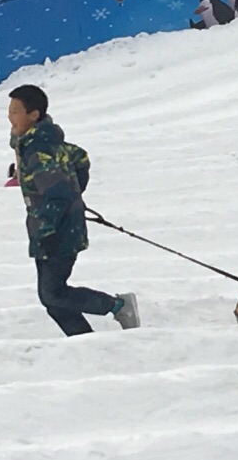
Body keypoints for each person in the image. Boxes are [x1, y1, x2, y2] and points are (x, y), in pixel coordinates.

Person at [8, 83, 139, 336]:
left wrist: (48, 225)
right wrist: (75, 192)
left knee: (53, 293)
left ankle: (117, 306)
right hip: (55, 226)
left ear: (33, 115)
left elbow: (57, 196)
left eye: (15, 111)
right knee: (51, 297)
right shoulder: (37, 142)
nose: (10, 116)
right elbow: (79, 157)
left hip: (58, 232)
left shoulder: (39, 149)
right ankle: (83, 339)